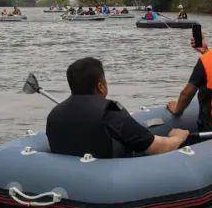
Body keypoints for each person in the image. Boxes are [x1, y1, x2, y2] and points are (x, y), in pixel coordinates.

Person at [46, 57, 189, 158]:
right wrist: (177, 138)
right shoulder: (109, 114)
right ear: (101, 86)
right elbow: (159, 148)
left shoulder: (54, 114)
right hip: (106, 183)